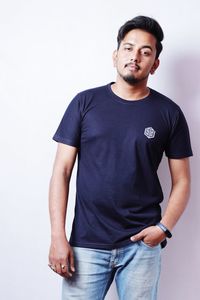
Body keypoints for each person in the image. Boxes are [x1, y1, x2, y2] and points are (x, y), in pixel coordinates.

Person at [48, 15, 192, 300]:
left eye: (145, 52)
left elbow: (183, 180)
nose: (135, 57)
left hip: (141, 246)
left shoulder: (169, 113)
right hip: (86, 244)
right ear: (115, 55)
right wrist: (57, 236)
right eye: (128, 48)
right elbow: (61, 172)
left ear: (155, 64)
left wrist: (164, 228)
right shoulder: (84, 103)